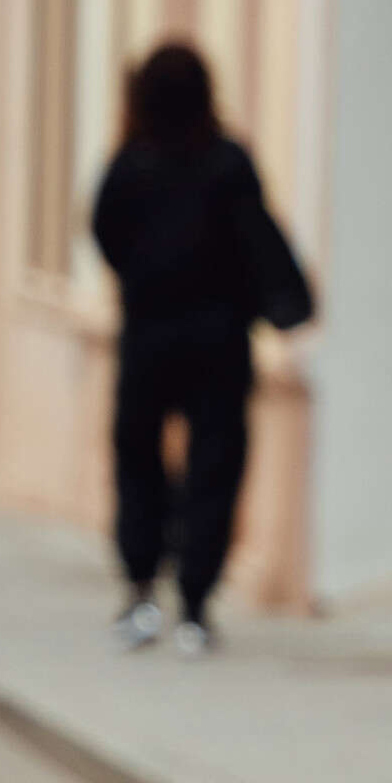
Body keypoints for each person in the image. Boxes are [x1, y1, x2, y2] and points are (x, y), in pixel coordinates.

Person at [87, 39, 312, 657]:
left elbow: (104, 232)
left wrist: (143, 277)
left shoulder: (131, 164)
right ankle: (194, 601)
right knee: (216, 463)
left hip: (150, 334)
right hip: (218, 337)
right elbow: (257, 236)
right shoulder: (227, 161)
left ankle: (140, 588)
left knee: (138, 459)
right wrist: (281, 302)